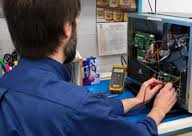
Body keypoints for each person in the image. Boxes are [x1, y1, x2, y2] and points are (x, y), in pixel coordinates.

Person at [0, 0, 177, 135]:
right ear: (67, 29)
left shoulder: (6, 82)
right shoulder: (75, 104)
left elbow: (91, 111)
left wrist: (136, 101)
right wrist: (159, 110)